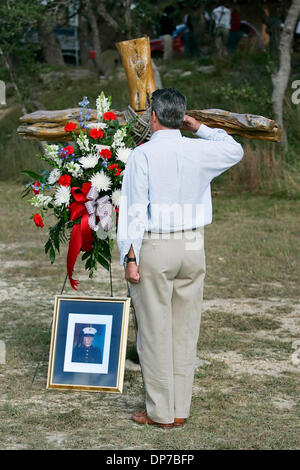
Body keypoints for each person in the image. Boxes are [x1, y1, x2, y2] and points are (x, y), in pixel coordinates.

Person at [117, 88, 244, 427]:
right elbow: (235, 148)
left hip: (156, 246)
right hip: (192, 246)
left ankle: (160, 412)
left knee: (155, 331)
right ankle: (179, 410)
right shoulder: (200, 151)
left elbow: (132, 212)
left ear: (153, 116)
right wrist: (198, 126)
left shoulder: (141, 156)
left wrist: (130, 257)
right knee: (185, 330)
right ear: (181, 117)